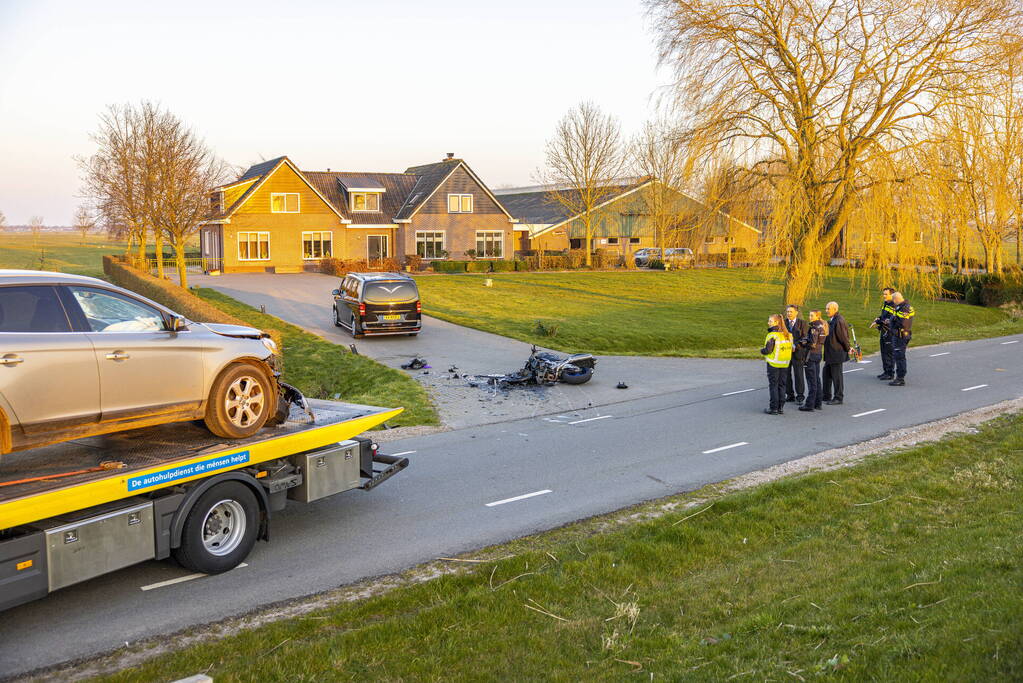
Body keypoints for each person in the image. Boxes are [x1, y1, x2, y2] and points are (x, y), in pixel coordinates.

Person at [760, 312, 793, 415]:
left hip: (773, 364)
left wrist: (762, 351)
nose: (768, 323)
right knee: (782, 385)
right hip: (784, 364)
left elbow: (768, 350)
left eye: (770, 321)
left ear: (776, 322)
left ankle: (773, 408)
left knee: (773, 385)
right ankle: (780, 407)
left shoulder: (772, 335)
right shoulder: (788, 335)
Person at [821, 301, 850, 405]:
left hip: (836, 353)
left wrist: (848, 348)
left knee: (836, 376)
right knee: (826, 374)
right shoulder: (833, 320)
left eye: (828, 309)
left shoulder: (839, 321)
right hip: (831, 353)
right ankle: (826, 395)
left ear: (835, 309)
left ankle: (838, 397)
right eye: (826, 308)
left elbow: (843, 337)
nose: (826, 311)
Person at [798, 309, 828, 412]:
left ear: (817, 316)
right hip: (818, 354)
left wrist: (803, 342)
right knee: (817, 379)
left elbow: (813, 343)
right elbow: (821, 341)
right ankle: (818, 403)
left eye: (812, 316)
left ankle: (809, 404)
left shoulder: (814, 328)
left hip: (811, 355)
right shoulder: (822, 326)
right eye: (809, 315)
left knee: (812, 381)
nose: (810, 317)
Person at [783, 304, 809, 404]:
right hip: (785, 353)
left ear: (796, 313)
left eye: (791, 312)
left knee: (798, 375)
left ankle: (800, 396)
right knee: (786, 374)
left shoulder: (803, 323)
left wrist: (795, 346)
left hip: (798, 353)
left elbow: (805, 338)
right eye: (788, 312)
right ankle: (789, 394)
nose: (789, 313)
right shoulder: (784, 323)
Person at [888, 291, 915, 386]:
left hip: (901, 335)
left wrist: (892, 320)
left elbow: (903, 323)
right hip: (900, 335)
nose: (893, 302)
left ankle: (900, 378)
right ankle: (900, 376)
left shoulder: (904, 308)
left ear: (896, 299)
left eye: (893, 300)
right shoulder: (903, 306)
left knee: (899, 356)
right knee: (898, 356)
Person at [871, 287, 896, 380]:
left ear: (891, 295)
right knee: (883, 352)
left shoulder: (893, 305)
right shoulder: (886, 303)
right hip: (883, 331)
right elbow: (883, 316)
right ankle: (886, 371)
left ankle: (890, 373)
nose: (884, 296)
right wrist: (878, 318)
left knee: (889, 353)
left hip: (889, 332)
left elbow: (888, 320)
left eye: (886, 294)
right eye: (883, 294)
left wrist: (878, 322)